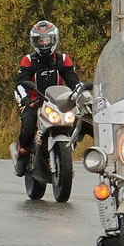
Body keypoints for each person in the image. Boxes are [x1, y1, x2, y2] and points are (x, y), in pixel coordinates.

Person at [13, 20, 83, 176]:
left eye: (47, 40)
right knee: (29, 123)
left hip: (59, 103)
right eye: (40, 40)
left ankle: (68, 149)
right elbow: (19, 84)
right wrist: (25, 100)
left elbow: (72, 80)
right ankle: (23, 152)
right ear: (34, 41)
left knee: (78, 118)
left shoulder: (62, 59)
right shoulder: (28, 60)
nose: (43, 44)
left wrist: (81, 93)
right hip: (35, 104)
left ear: (54, 40)